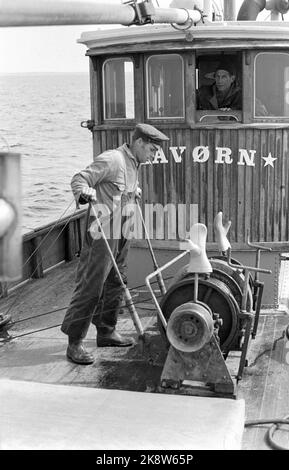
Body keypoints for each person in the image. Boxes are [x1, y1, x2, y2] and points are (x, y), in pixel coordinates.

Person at [61, 123, 169, 365]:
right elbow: (80, 178)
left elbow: (119, 189)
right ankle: (74, 343)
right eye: (151, 150)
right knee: (92, 285)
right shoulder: (113, 159)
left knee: (117, 280)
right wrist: (84, 192)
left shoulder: (134, 163)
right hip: (102, 231)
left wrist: (134, 192)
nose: (153, 157)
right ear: (139, 142)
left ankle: (106, 331)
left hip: (122, 230)